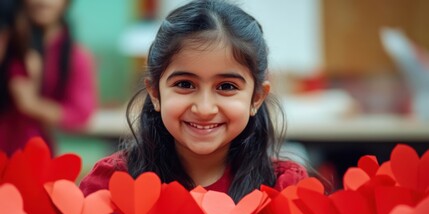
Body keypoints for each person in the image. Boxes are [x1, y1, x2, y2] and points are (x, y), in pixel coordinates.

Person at [80, 0, 307, 202]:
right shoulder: (111, 184)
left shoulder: (285, 189)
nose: (204, 109)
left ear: (257, 98)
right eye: (185, 84)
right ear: (155, 94)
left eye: (226, 87)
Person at [0, 0, 97, 155]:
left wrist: (32, 105)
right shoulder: (9, 43)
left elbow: (81, 112)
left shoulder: (77, 56)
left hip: (35, 152)